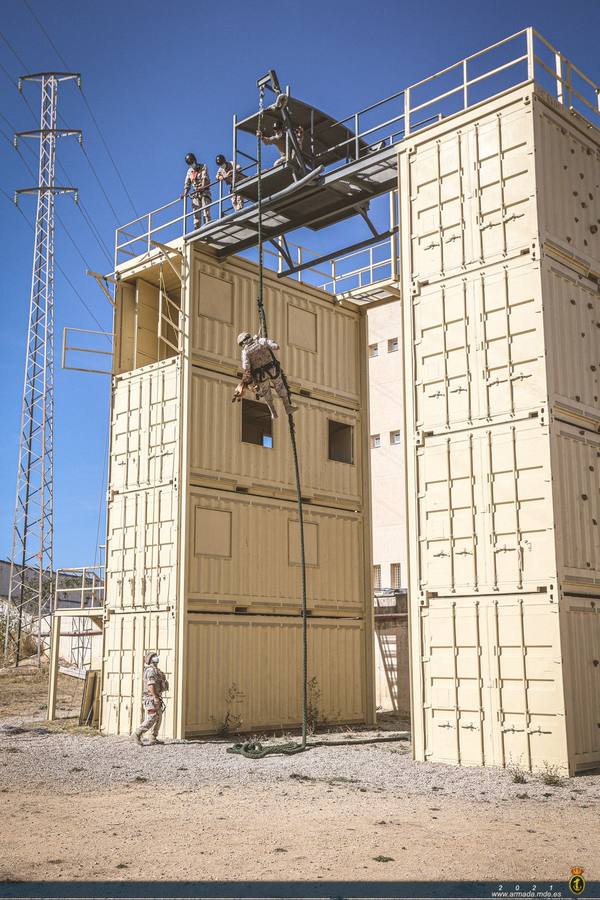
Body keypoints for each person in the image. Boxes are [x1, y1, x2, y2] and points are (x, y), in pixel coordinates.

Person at [235, 331, 297, 419]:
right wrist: (268, 343)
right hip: (272, 370)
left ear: (241, 343)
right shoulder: (259, 341)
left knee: (266, 392)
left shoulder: (245, 352)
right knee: (280, 386)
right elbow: (275, 346)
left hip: (260, 375)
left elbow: (246, 367)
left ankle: (273, 412)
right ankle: (287, 407)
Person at [133, 651, 169, 746]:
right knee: (152, 717)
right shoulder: (151, 671)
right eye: (154, 656)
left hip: (155, 696)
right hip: (151, 698)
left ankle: (153, 737)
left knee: (159, 717)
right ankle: (137, 734)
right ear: (150, 659)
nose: (156, 658)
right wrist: (155, 697)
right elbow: (151, 685)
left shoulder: (156, 670)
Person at [180, 152, 212, 229]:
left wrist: (202, 187)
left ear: (195, 160)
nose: (192, 165)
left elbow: (204, 178)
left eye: (192, 162)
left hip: (204, 192)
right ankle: (197, 229)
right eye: (190, 164)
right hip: (196, 194)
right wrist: (184, 194)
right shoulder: (189, 171)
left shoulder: (203, 166)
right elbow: (187, 184)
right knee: (196, 215)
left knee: (206, 213)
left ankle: (208, 228)